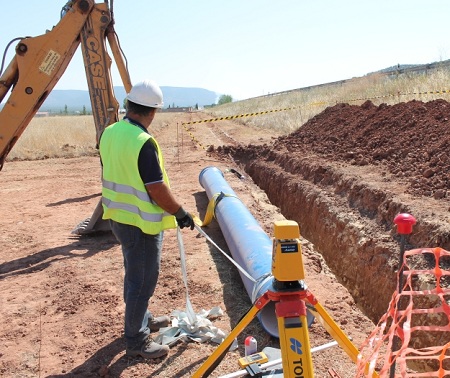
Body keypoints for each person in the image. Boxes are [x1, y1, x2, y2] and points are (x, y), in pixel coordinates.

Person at [99, 79, 195, 359]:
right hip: (141, 223)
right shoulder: (143, 142)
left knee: (134, 274)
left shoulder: (110, 132)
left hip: (118, 216)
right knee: (141, 281)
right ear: (152, 112)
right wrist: (179, 212)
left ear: (129, 105)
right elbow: (156, 188)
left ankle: (141, 319)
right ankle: (137, 340)